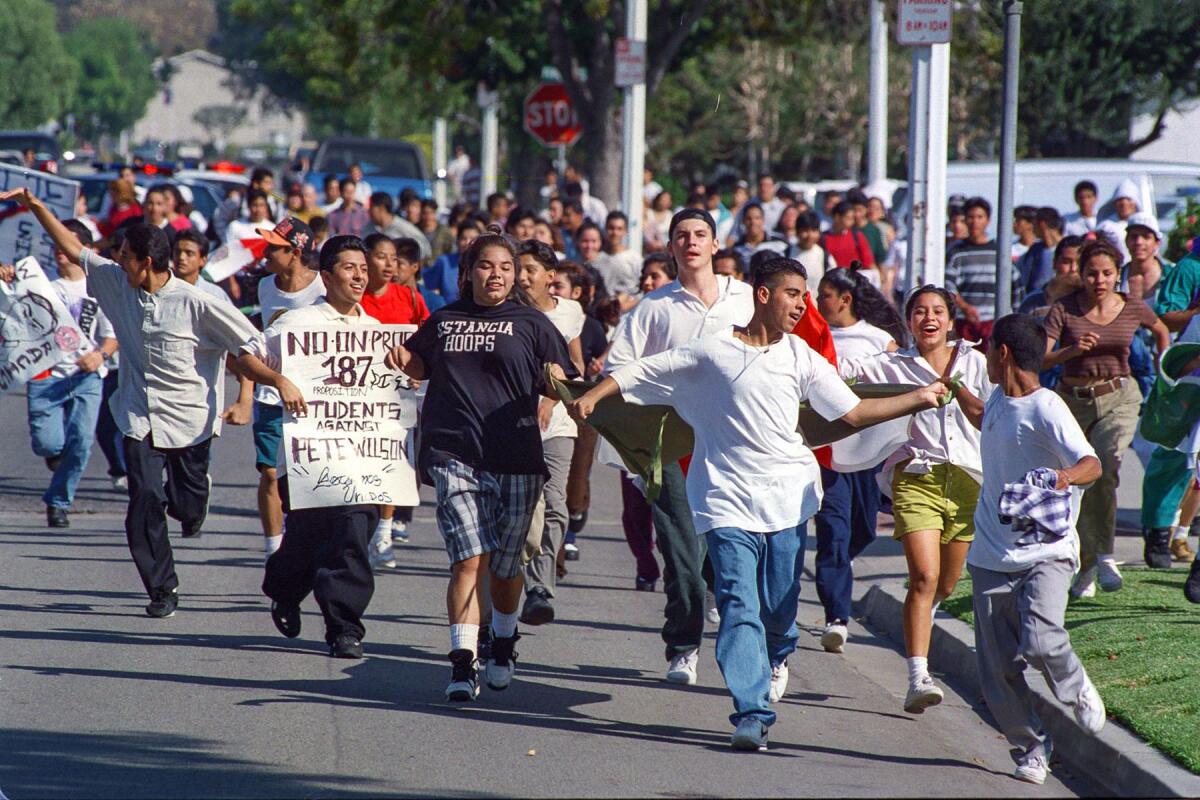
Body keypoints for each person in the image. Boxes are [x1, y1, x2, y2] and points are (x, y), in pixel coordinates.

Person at [569, 258, 949, 751]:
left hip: (788, 498)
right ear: (764, 296)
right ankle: (751, 711)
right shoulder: (711, 352)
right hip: (724, 500)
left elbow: (853, 412)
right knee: (737, 602)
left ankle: (778, 653)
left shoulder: (802, 357)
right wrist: (593, 396)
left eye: (806, 295)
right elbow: (644, 369)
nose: (803, 304)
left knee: (777, 607)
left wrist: (918, 398)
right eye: (793, 294)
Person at [0, 187, 301, 618]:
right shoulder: (115, 281)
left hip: (190, 421)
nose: (117, 260)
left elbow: (245, 351)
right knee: (143, 499)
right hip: (138, 415)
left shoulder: (199, 303)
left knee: (185, 505)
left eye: (124, 255)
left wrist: (275, 382)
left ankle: (196, 497)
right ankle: (162, 588)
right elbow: (75, 248)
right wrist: (37, 206)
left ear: (146, 262)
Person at [382, 225, 572, 702]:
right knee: (468, 560)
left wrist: (559, 382)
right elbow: (421, 366)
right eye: (487, 265)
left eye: (506, 268)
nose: (497, 274)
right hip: (455, 455)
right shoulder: (444, 320)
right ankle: (463, 664)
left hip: (516, 456)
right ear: (468, 273)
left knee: (506, 568)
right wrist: (405, 360)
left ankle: (503, 642)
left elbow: (558, 380)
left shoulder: (533, 325)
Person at [605, 208, 754, 685]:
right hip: (671, 447)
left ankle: (754, 655)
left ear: (715, 245)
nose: (691, 243)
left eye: (700, 235)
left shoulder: (747, 300)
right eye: (681, 236)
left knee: (727, 561)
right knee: (683, 556)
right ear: (670, 247)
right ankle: (684, 645)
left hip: (732, 444)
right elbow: (619, 370)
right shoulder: (654, 307)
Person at [962, 313, 1107, 785]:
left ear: (1002, 353)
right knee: (997, 671)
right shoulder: (999, 399)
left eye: (987, 347)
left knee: (1043, 640)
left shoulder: (1048, 407)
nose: (984, 354)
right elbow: (986, 420)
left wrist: (1063, 477)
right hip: (990, 552)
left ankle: (1076, 686)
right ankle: (1031, 747)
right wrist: (953, 392)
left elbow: (1092, 463)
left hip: (1046, 550)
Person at [838, 285, 992, 713]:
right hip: (915, 477)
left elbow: (994, 414)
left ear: (950, 320)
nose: (929, 318)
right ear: (908, 322)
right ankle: (918, 675)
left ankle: (920, 620)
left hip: (966, 479)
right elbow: (842, 370)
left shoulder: (974, 362)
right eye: (920, 311)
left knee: (944, 583)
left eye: (937, 311)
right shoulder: (893, 365)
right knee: (923, 577)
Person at [248, 235, 385, 659]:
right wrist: (280, 380)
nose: (359, 276)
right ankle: (284, 590)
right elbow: (244, 356)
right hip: (309, 460)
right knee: (307, 542)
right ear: (326, 276)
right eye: (348, 268)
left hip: (362, 460)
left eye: (363, 269)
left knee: (353, 533)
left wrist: (405, 378)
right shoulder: (297, 323)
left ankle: (344, 628)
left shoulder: (375, 332)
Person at [1042, 240, 1170, 595]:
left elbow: (1160, 329)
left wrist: (1165, 368)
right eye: (1092, 273)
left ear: (1118, 274)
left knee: (1107, 465)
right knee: (1081, 480)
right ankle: (1086, 564)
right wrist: (1071, 350)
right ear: (1081, 275)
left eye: (1107, 273)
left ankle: (1106, 556)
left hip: (1120, 396)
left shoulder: (1131, 306)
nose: (1099, 280)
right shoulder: (1064, 309)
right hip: (1074, 400)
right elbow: (1042, 358)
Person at [812, 266, 906, 651]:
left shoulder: (878, 339)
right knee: (833, 530)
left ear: (845, 300)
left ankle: (839, 565)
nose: (818, 303)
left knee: (862, 530)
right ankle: (837, 616)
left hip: (869, 452)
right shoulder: (811, 336)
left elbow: (901, 381)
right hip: (826, 452)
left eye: (824, 296)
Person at [1, 221, 117, 528]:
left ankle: (59, 502)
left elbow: (111, 336)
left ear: (86, 250)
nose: (59, 251)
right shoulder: (43, 285)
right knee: (47, 444)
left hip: (87, 377)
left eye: (66, 244)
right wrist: (8, 280)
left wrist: (100, 355)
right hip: (45, 375)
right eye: (56, 244)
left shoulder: (99, 288)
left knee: (81, 442)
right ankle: (56, 456)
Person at [227, 218, 326, 561]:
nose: (265, 253)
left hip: (311, 398)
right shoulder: (265, 286)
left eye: (273, 248)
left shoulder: (323, 289)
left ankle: (305, 541)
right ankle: (273, 549)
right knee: (269, 473)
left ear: (296, 252)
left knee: (304, 476)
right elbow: (256, 344)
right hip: (271, 394)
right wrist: (246, 395)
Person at [514, 241, 586, 625]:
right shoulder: (505, 314)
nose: (522, 277)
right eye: (517, 269)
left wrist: (555, 395)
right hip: (514, 425)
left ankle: (540, 588)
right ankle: (515, 583)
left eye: (530, 270)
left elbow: (574, 365)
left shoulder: (571, 312)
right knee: (524, 509)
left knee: (555, 504)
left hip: (557, 427)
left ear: (550, 278)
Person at [360, 232, 430, 567]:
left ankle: (384, 533)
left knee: (392, 463)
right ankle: (360, 531)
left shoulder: (410, 298)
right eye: (381, 257)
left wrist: (420, 369)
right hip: (355, 398)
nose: (389, 264)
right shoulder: (351, 297)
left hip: (396, 397)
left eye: (393, 258)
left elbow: (428, 340)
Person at [944, 197, 1023, 348]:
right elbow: (948, 286)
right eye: (971, 217)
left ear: (988, 220)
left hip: (993, 323)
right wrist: (965, 307)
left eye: (980, 217)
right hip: (964, 323)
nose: (975, 222)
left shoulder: (1000, 251)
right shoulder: (955, 253)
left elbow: (1015, 285)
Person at [422, 220, 482, 305]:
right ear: (457, 241)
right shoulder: (444, 263)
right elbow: (429, 291)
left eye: (472, 239)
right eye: (463, 238)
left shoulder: (485, 265)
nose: (467, 243)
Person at [591, 211, 643, 302]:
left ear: (625, 231)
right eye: (611, 228)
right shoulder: (596, 258)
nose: (615, 232)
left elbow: (641, 290)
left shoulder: (635, 258)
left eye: (619, 229)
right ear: (605, 229)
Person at [363, 192, 430, 259]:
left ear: (381, 208)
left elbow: (425, 250)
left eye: (371, 208)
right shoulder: (368, 228)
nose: (369, 211)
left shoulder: (403, 227)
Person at [1016, 207, 1064, 296]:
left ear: (1042, 224)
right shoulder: (1033, 252)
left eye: (1034, 224)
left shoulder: (1068, 249)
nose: (1032, 228)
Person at [394, 236, 445, 314]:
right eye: (392, 263)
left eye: (399, 264)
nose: (392, 269)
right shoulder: (380, 299)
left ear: (415, 266)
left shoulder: (434, 302)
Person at [820, 201, 875, 269]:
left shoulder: (857, 235)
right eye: (849, 218)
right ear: (837, 217)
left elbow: (868, 262)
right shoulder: (823, 238)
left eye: (852, 218)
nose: (852, 221)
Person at [1104, 179, 1141, 264]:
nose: (1124, 203)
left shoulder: (1145, 226)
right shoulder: (1106, 227)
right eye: (1120, 200)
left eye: (1128, 199)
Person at [794, 211, 835, 285]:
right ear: (797, 232)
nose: (810, 235)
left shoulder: (825, 256)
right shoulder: (786, 253)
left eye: (814, 230)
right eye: (805, 231)